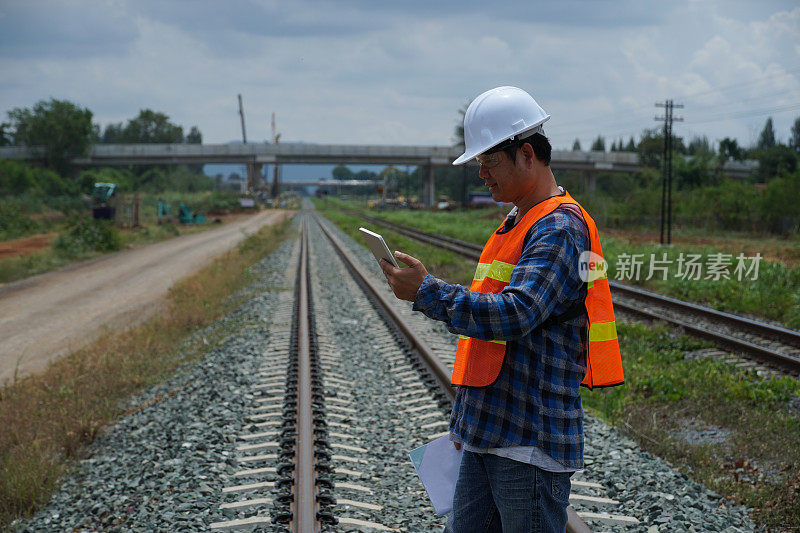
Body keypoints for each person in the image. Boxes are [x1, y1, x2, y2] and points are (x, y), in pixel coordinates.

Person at [380, 86, 623, 533]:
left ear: (526, 154)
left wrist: (427, 292)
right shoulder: (519, 219)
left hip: (527, 441)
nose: (482, 175)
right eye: (480, 164)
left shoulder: (559, 227)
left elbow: (516, 313)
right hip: (488, 433)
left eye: (488, 162)